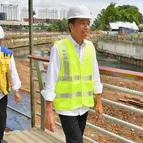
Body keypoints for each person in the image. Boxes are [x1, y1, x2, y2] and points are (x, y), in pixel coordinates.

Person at [41, 4, 103, 143]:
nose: (86, 27)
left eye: (88, 23)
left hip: (83, 106)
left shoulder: (90, 47)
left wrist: (98, 101)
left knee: (74, 139)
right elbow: (51, 80)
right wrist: (48, 112)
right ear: (71, 26)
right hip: (66, 108)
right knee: (76, 140)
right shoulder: (59, 48)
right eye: (82, 23)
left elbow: (95, 75)